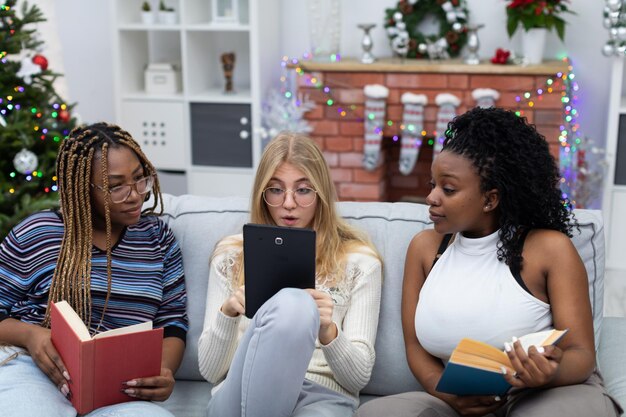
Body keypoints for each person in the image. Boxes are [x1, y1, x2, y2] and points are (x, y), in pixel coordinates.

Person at [355, 107, 622, 417]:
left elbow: (582, 353)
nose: (431, 198)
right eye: (432, 185)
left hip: (544, 394)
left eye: (448, 189)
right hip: (457, 401)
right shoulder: (424, 249)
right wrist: (444, 390)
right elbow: (415, 347)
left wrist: (549, 372)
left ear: (490, 199)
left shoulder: (550, 250)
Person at [0, 123, 188, 417]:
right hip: (35, 370)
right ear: (80, 189)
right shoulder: (37, 233)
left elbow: (173, 322)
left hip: (119, 388)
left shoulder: (157, 239)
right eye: (116, 186)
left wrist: (164, 371)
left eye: (140, 179)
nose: (135, 195)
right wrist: (30, 336)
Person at [198, 132, 383, 417]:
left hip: (320, 397)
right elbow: (211, 372)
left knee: (296, 306)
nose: (288, 203)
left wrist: (328, 331)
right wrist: (228, 313)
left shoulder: (360, 262)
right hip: (243, 389)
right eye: (275, 190)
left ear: (321, 192)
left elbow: (358, 378)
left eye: (303, 190)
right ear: (262, 193)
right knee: (292, 304)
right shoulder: (230, 256)